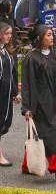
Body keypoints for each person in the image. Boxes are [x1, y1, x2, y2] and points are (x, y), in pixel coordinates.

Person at [20, 25, 56, 180]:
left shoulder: (53, 56)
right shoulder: (32, 58)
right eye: (48, 35)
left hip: (50, 102)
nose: (52, 37)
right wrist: (26, 107)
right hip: (37, 104)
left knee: (37, 135)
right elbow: (26, 84)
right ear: (40, 38)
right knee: (50, 133)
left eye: (52, 35)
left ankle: (27, 165)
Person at [0, 22, 18, 167]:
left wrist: (15, 92)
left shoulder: (6, 52)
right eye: (6, 33)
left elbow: (11, 74)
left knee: (5, 122)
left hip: (5, 94)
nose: (9, 36)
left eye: (10, 34)